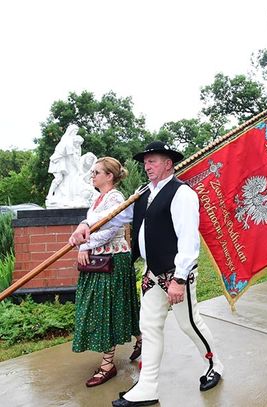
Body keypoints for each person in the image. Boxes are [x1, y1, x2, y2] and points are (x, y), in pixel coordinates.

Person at [70, 141, 224, 407]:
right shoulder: (143, 193)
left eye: (153, 161)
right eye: (146, 161)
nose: (147, 165)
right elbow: (113, 216)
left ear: (168, 163)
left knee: (189, 323)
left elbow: (189, 241)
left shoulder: (182, 194)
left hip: (176, 274)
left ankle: (214, 364)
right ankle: (147, 386)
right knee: (150, 328)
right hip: (152, 273)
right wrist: (85, 225)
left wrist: (179, 279)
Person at [72, 157, 141, 387]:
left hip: (112, 259)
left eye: (96, 172)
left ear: (109, 176)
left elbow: (109, 231)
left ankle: (107, 365)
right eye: (93, 172)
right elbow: (91, 222)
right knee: (122, 306)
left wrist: (84, 245)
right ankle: (142, 339)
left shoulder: (116, 198)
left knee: (107, 309)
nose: (92, 176)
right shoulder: (97, 197)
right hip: (98, 259)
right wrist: (82, 225)